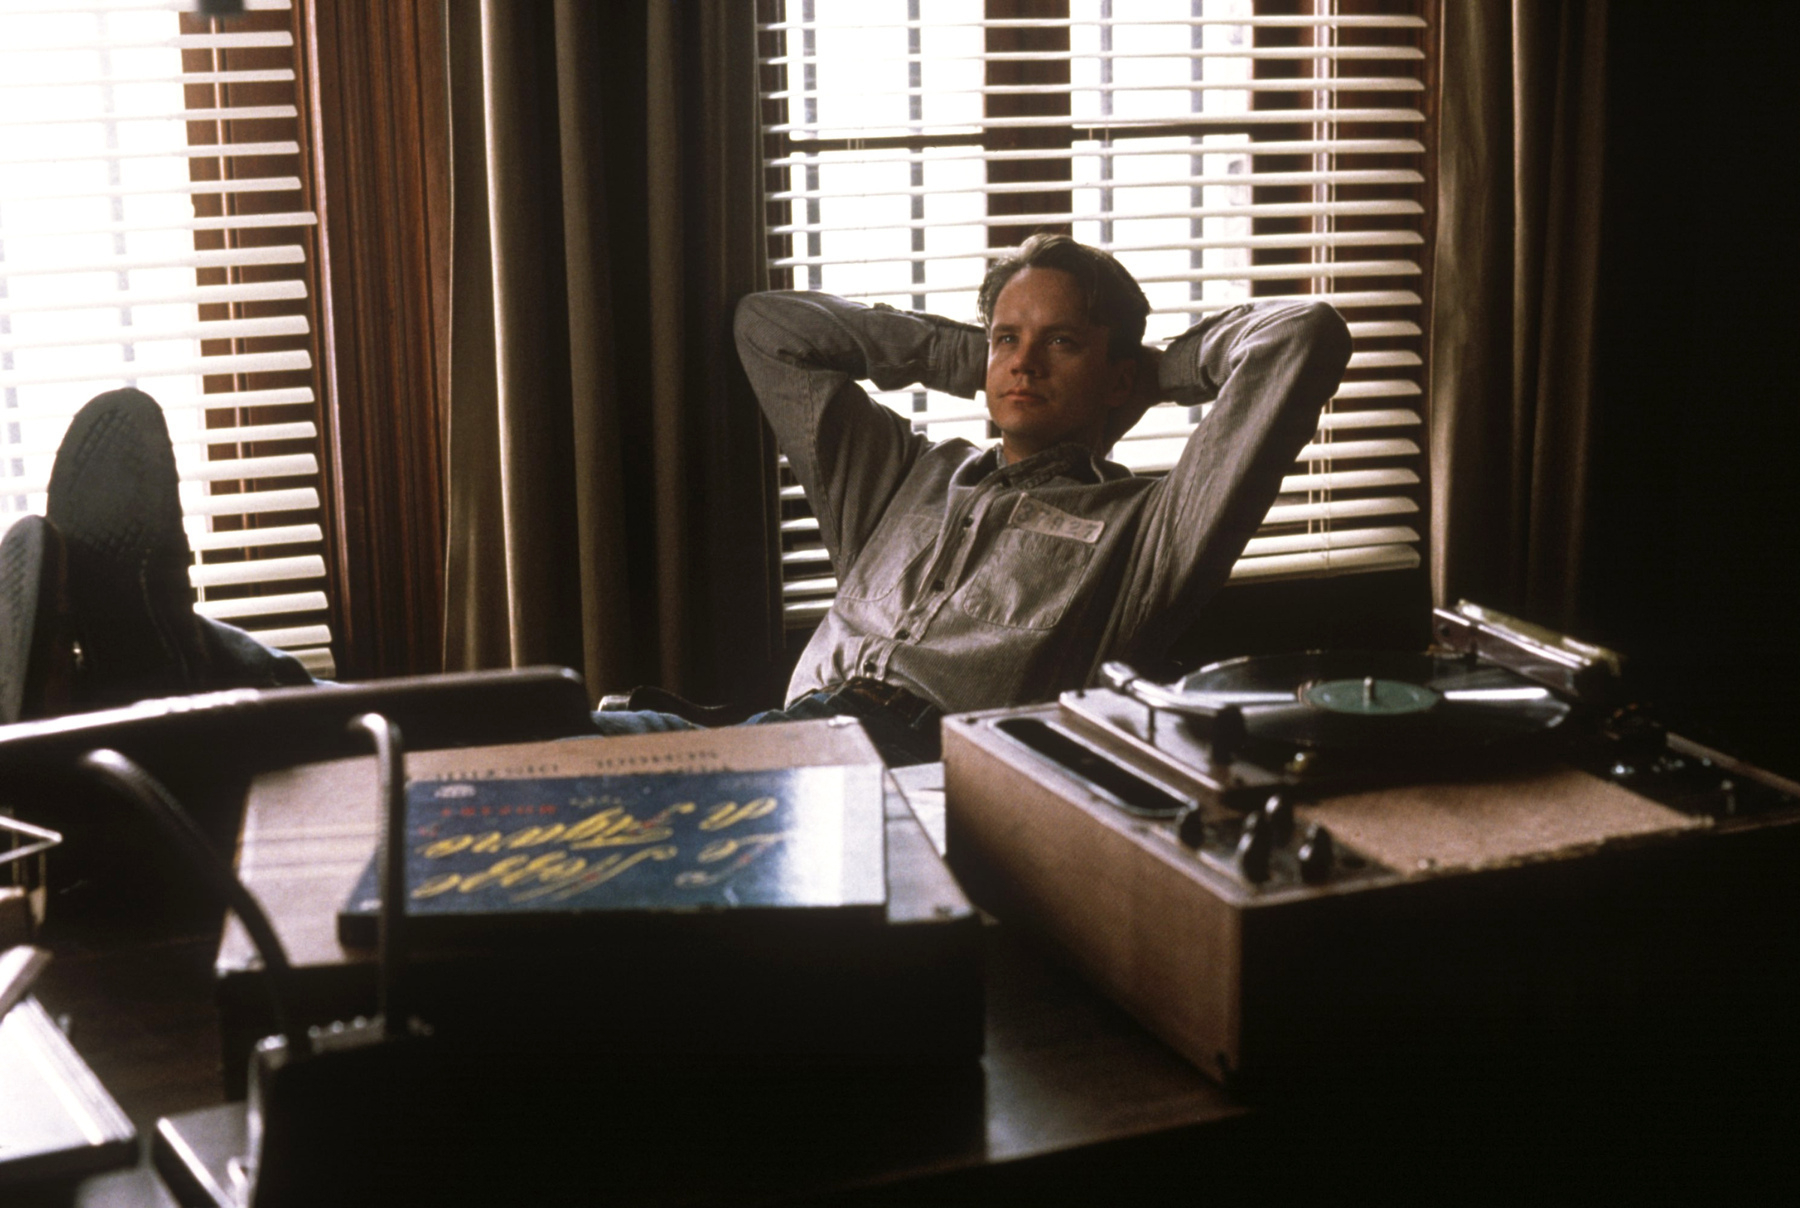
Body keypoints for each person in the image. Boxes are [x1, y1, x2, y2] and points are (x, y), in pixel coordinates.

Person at [592, 234, 1351, 763]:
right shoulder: (906, 475)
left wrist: (1152, 377)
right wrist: (962, 357)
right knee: (532, 731)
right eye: (1005, 339)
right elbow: (769, 328)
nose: (1023, 364)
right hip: (790, 730)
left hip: (914, 768)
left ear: (1117, 375)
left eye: (1062, 342)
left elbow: (1303, 335)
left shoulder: (1147, 530)